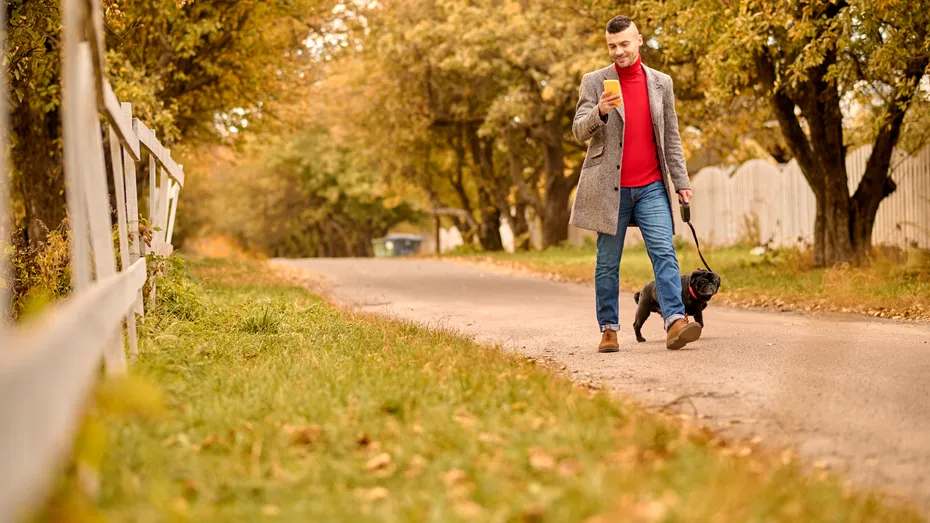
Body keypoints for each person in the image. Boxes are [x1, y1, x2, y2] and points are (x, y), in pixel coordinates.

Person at [569, 15, 702, 352]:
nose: (618, 51)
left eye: (624, 44)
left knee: (664, 252)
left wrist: (681, 181)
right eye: (612, 46)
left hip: (651, 185)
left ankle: (674, 321)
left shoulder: (662, 83)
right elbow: (579, 131)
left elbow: (670, 136)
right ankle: (609, 328)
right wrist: (599, 110)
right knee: (607, 262)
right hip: (609, 187)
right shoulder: (594, 81)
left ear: (639, 41)